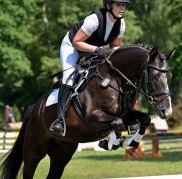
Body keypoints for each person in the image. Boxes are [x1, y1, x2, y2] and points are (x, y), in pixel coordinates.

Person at [50, 0, 130, 136]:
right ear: (109, 6)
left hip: (92, 49)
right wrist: (97, 50)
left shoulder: (120, 24)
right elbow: (77, 42)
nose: (122, 8)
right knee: (69, 78)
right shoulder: (94, 20)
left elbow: (115, 47)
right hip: (72, 46)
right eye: (118, 5)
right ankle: (60, 119)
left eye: (124, 5)